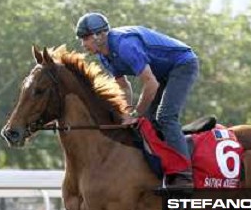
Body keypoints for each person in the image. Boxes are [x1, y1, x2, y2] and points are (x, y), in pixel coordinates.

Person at [75, 12, 199, 189]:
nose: (83, 44)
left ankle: (184, 175)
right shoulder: (104, 55)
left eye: (85, 38)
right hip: (161, 73)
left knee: (165, 117)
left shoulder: (125, 46)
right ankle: (163, 167)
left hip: (183, 64)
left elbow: (151, 84)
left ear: (100, 35)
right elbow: (123, 87)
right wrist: (126, 112)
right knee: (146, 123)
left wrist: (135, 113)